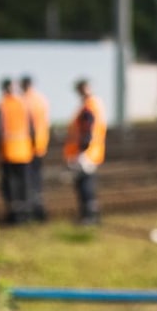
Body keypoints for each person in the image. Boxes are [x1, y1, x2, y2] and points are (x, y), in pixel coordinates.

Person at [0, 78, 34, 224]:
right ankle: (25, 214)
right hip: (24, 150)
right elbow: (31, 128)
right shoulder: (24, 103)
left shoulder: (1, 105)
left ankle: (15, 215)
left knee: (11, 184)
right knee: (24, 184)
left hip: (8, 151)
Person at [63, 78, 107, 225]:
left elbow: (88, 128)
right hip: (89, 151)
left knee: (86, 185)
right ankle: (89, 215)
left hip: (86, 152)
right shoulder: (92, 104)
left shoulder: (89, 106)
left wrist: (82, 149)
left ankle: (89, 216)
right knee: (85, 184)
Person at [20, 76, 51, 222]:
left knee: (28, 180)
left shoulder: (23, 101)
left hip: (26, 147)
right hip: (40, 145)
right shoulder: (41, 100)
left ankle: (31, 211)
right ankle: (39, 209)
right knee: (36, 180)